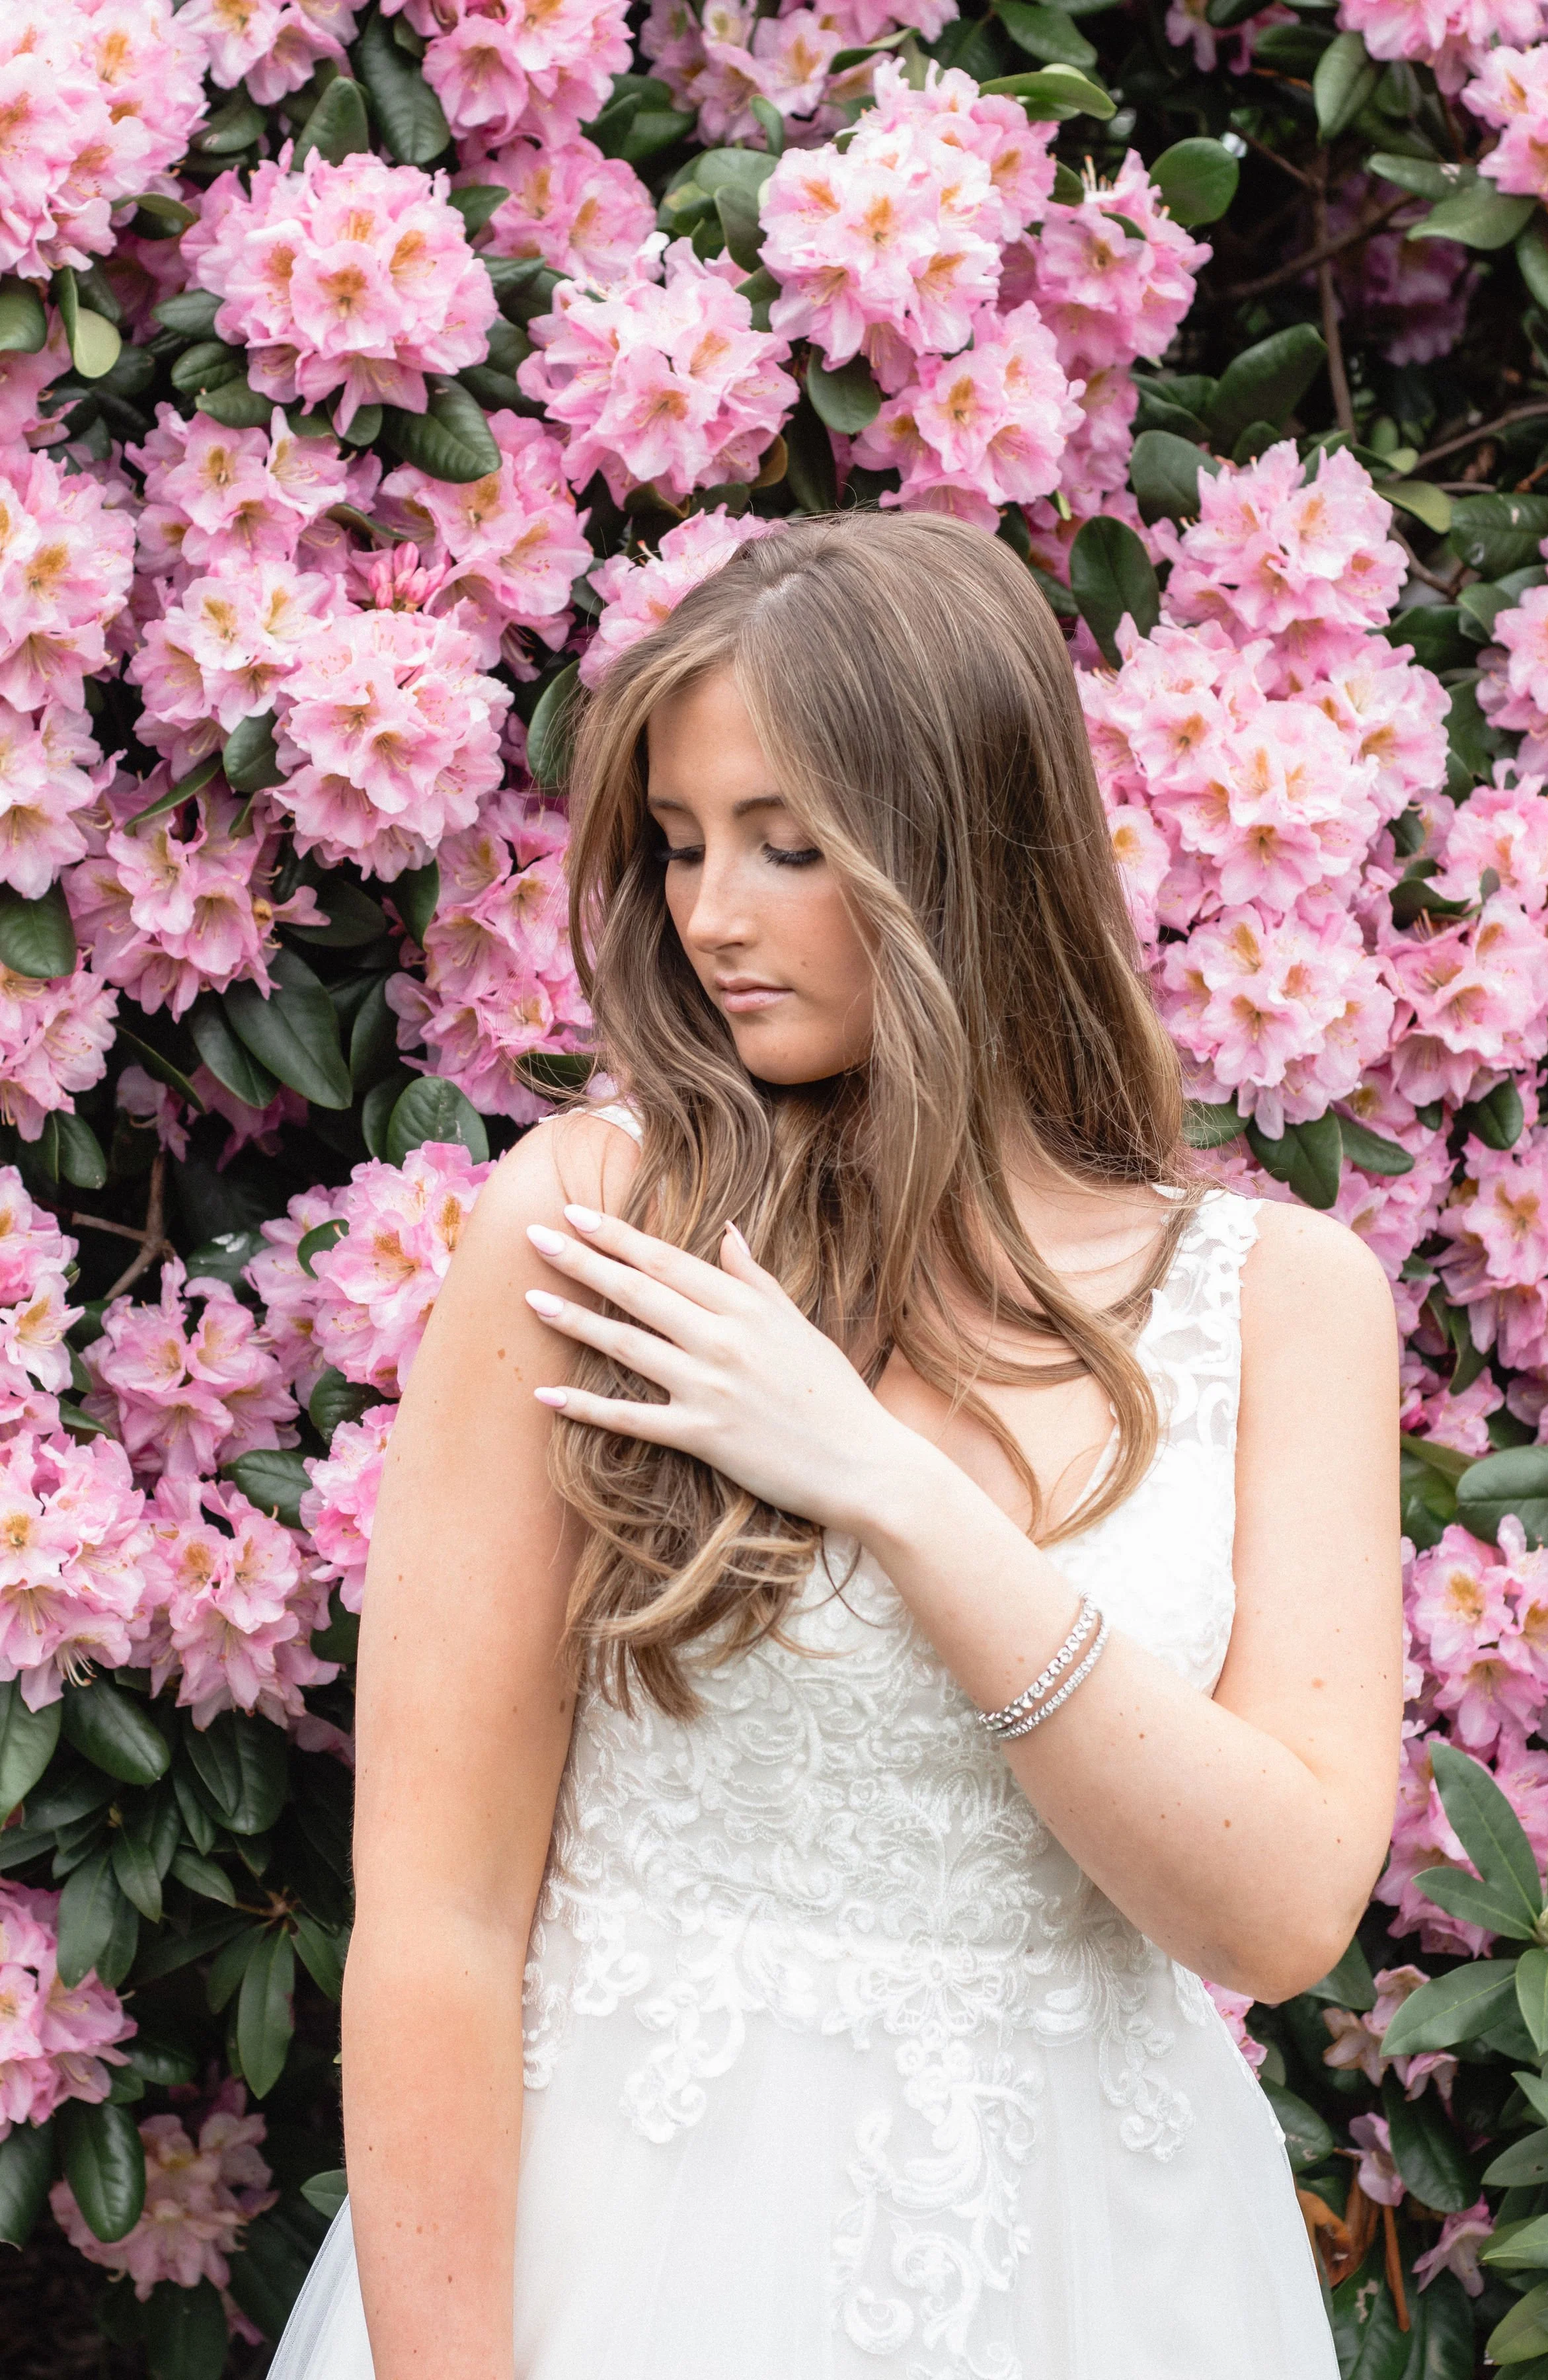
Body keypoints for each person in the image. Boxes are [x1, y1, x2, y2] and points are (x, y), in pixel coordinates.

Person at [267, 512, 1402, 2380]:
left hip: (1098, 2282)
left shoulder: (1282, 1299)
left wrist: (886, 1486)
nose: (712, 916)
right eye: (683, 844)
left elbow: (1274, 1913)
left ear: (970, 852)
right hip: (634, 2251)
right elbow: (440, 1922)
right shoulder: (593, 1225)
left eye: (790, 847)